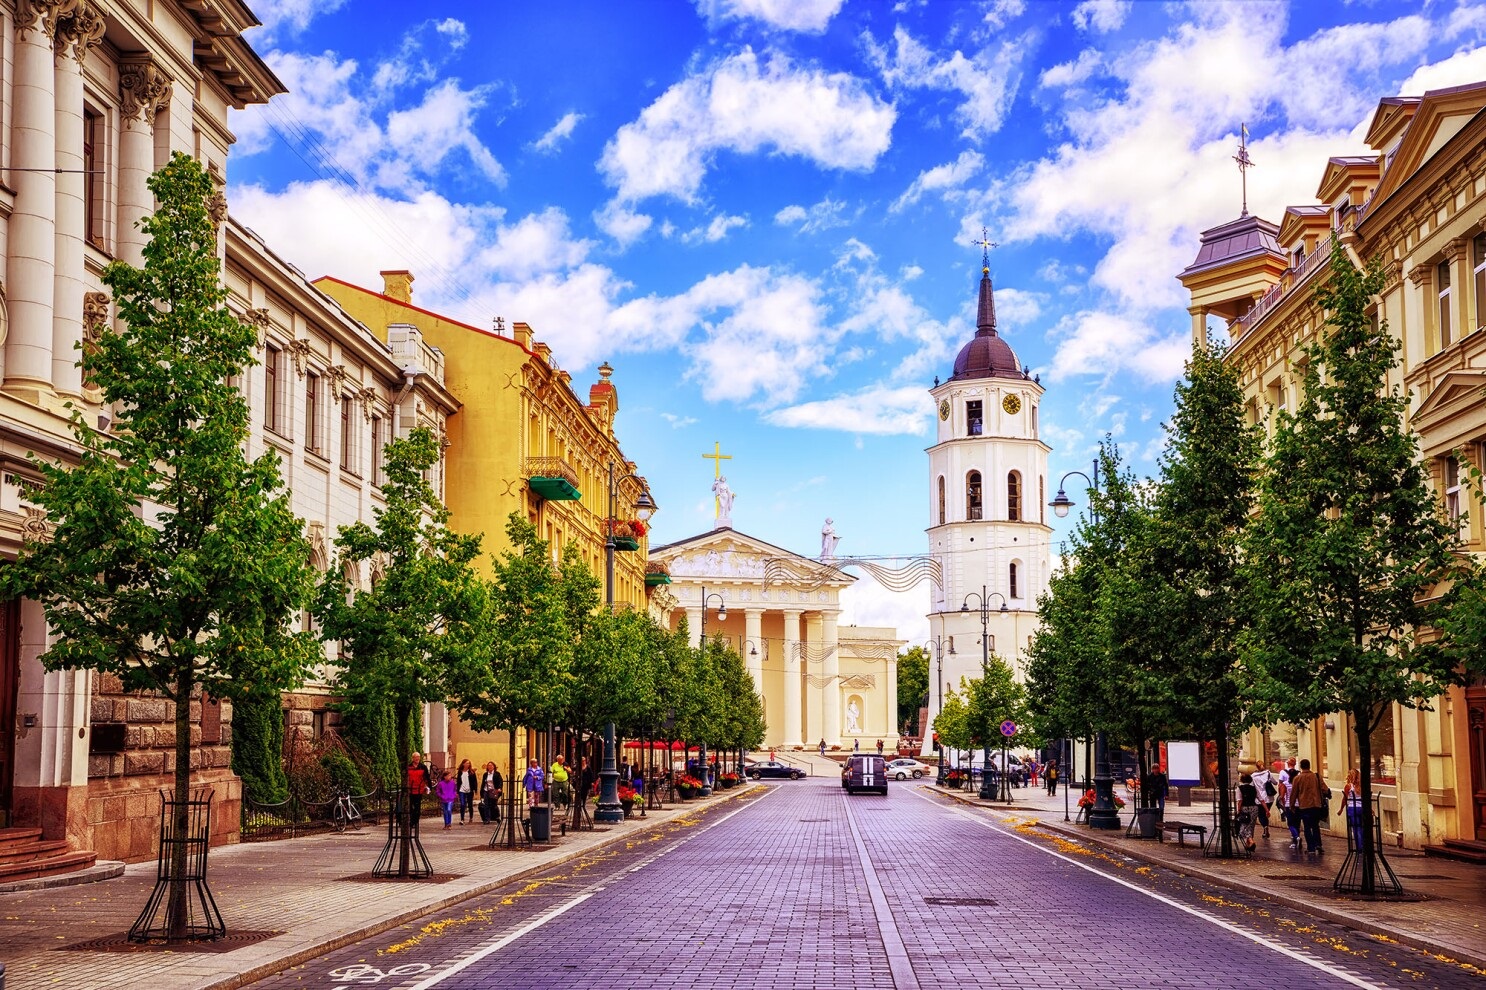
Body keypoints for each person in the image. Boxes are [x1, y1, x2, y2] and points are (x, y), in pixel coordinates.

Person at [1288, 758, 1328, 853]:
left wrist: (1292, 805)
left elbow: (1294, 793)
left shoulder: (1297, 778)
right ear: (1309, 766)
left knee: (1307, 827)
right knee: (1315, 826)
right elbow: (1325, 789)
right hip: (1316, 805)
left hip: (1304, 806)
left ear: (1301, 767)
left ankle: (1311, 848)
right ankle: (1318, 845)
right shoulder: (1317, 777)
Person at [406, 752, 434, 825]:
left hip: (419, 789)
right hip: (410, 789)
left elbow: (427, 777)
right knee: (410, 806)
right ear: (413, 758)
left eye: (418, 757)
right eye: (416, 757)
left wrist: (429, 787)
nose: (417, 758)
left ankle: (415, 821)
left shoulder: (423, 767)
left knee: (417, 807)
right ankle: (412, 820)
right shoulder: (408, 767)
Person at [1341, 768, 1364, 851]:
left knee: (1356, 828)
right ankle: (1363, 845)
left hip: (1352, 808)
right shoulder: (1362, 786)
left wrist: (1341, 809)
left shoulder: (1348, 786)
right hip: (1361, 808)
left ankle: (1359, 847)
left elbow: (1344, 799)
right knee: (1362, 827)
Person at [1236, 772, 1259, 851]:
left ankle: (1251, 841)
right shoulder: (1254, 788)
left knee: (1244, 826)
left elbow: (1239, 801)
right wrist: (1266, 810)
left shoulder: (1239, 788)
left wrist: (1238, 810)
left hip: (1245, 808)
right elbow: (1260, 799)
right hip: (1254, 808)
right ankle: (1248, 844)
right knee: (1251, 825)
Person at [1251, 764, 1274, 839]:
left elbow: (1252, 786)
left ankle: (1265, 827)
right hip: (1269, 797)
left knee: (1261, 815)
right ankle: (1265, 829)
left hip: (1259, 798)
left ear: (1256, 767)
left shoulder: (1253, 776)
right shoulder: (1268, 773)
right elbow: (1275, 782)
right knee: (1265, 813)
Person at [455, 758, 478, 824]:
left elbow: (474, 781)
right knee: (462, 804)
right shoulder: (460, 772)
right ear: (463, 764)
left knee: (470, 804)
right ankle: (462, 819)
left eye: (469, 763)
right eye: (466, 763)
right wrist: (457, 791)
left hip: (469, 790)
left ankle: (471, 818)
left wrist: (475, 790)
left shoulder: (471, 772)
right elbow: (459, 782)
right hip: (462, 790)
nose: (468, 764)